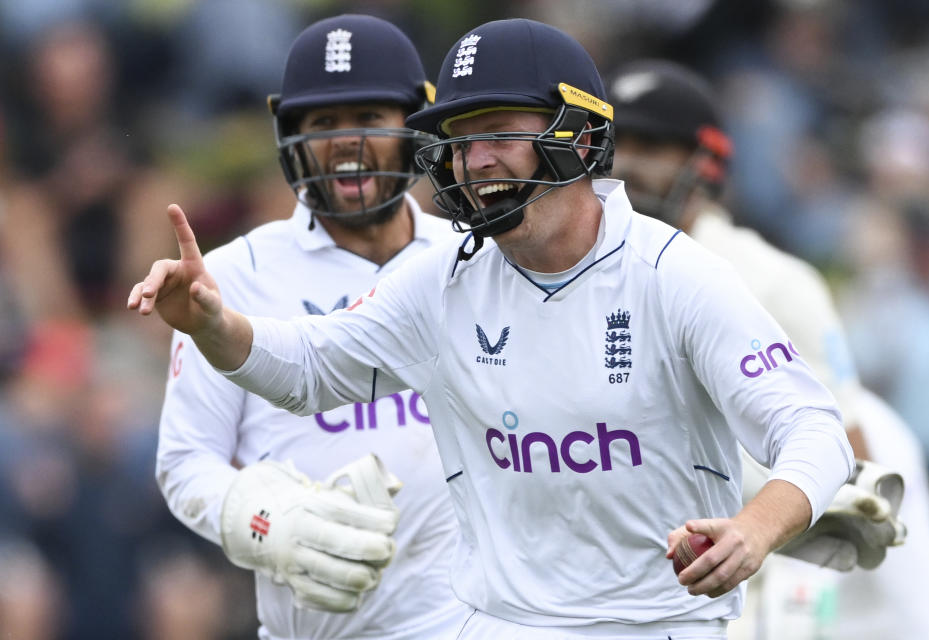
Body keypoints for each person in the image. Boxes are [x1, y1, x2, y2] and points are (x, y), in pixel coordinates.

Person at [130, 19, 854, 639]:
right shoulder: (441, 281)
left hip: (658, 625)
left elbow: (814, 429)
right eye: (459, 139)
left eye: (500, 132)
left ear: (579, 135)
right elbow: (308, 370)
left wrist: (757, 527)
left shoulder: (676, 276)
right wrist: (214, 323)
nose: (476, 161)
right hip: (495, 624)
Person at [606, 59, 929, 640]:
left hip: (754, 573)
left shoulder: (774, 282)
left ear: (708, 162)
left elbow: (852, 465)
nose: (631, 165)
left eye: (655, 145)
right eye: (622, 144)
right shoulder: (588, 277)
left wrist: (780, 590)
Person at [153, 14, 472, 640]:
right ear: (290, 138)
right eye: (323, 123)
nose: (346, 143)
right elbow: (186, 462)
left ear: (415, 128)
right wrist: (268, 521)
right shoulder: (233, 275)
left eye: (370, 119)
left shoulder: (474, 258)